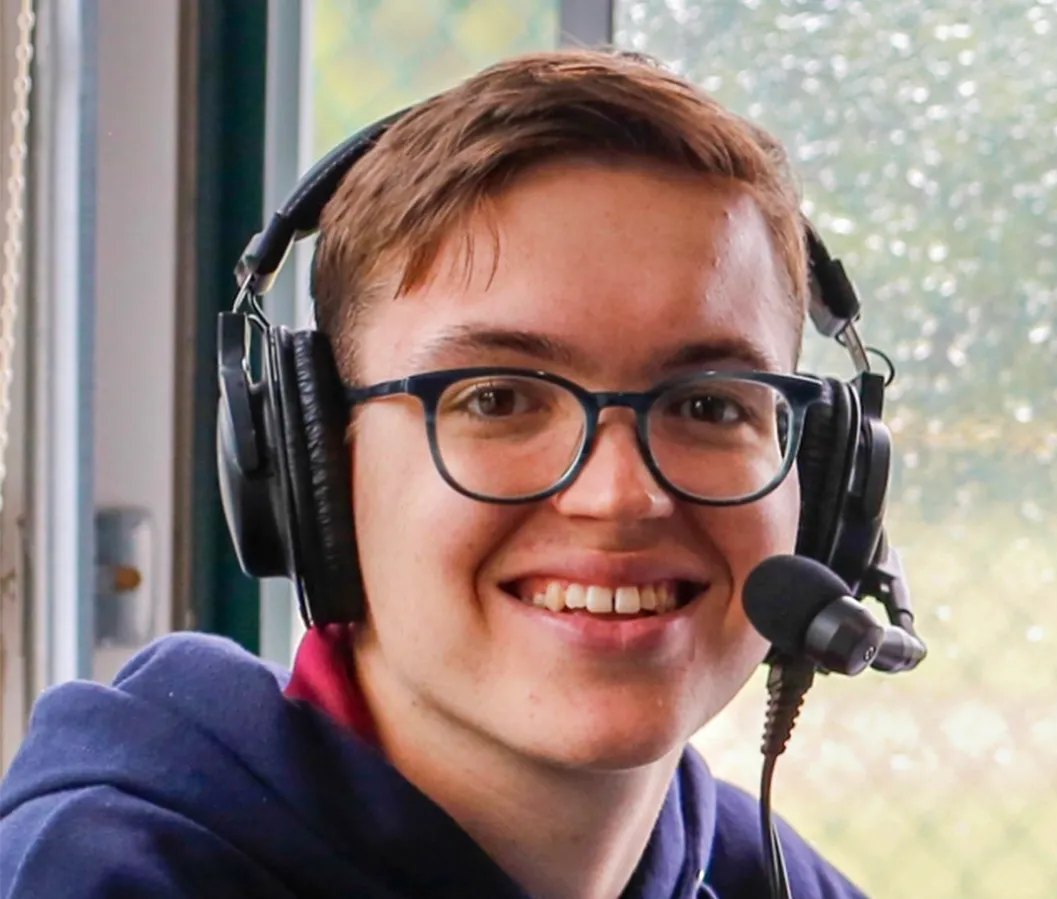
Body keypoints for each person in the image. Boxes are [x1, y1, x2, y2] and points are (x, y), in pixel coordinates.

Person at [0, 49, 869, 898]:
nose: (619, 495)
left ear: (825, 491)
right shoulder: (101, 874)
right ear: (315, 472)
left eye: (712, 405)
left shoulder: (764, 871)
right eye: (496, 399)